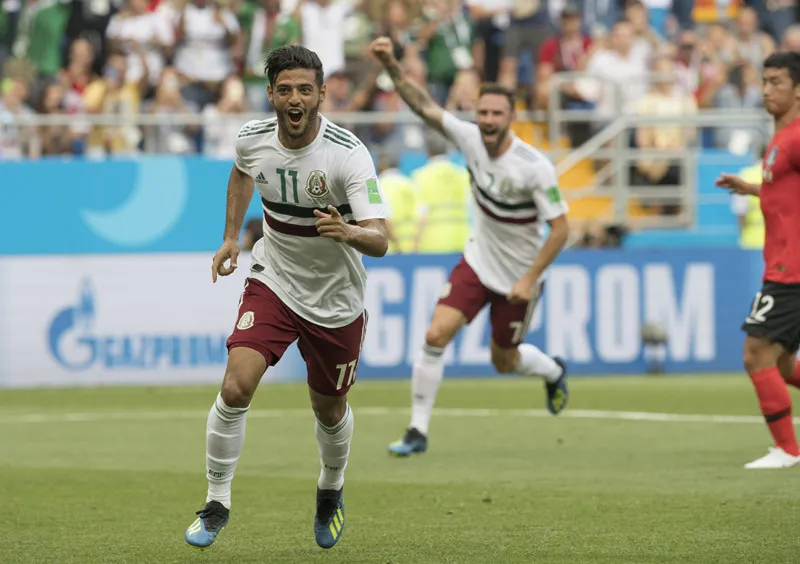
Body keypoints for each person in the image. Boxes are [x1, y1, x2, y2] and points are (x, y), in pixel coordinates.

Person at [183, 44, 389, 549]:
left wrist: (349, 231)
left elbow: (381, 239)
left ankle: (330, 488)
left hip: (337, 298)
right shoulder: (252, 139)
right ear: (271, 95)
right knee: (236, 387)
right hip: (274, 278)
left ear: (321, 94)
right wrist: (232, 237)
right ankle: (216, 502)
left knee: (329, 409)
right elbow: (239, 174)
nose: (294, 98)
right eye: (284, 89)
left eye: (304, 89)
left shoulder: (348, 153)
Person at [370, 36, 571, 457]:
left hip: (518, 276)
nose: (489, 120)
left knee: (505, 361)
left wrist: (530, 278)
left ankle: (552, 370)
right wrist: (391, 64)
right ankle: (417, 430)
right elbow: (422, 103)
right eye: (483, 112)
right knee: (435, 333)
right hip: (478, 261)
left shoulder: (535, 169)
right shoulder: (468, 137)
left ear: (512, 117)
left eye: (497, 113)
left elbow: (560, 230)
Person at [716, 51, 800, 469]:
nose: (766, 90)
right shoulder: (779, 138)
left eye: (777, 82)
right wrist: (750, 188)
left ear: (798, 89)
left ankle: (787, 450)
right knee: (783, 364)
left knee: (756, 353)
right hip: (783, 266)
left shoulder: (798, 136)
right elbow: (785, 192)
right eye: (764, 82)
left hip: (792, 270)